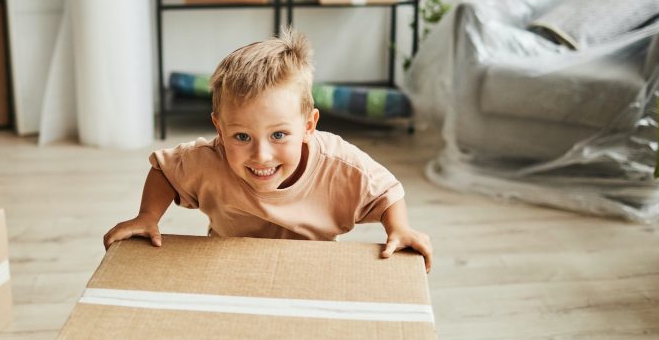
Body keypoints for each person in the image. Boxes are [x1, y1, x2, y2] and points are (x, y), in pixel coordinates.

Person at [103, 29, 433, 270]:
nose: (261, 155)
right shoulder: (209, 160)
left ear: (308, 125)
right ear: (220, 129)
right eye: (242, 137)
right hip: (226, 266)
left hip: (310, 270)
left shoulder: (340, 167)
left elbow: (387, 191)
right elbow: (165, 170)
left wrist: (399, 229)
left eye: (278, 135)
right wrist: (148, 216)